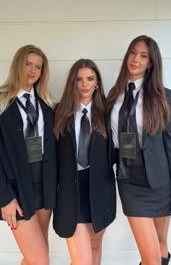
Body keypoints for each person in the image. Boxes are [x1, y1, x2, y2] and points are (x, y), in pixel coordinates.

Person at [107, 35, 171, 265]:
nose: (136, 59)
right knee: (151, 258)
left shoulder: (164, 97)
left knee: (162, 246)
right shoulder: (113, 96)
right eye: (133, 52)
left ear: (151, 62)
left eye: (143, 56)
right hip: (129, 181)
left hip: (160, 181)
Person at [0, 44, 57, 265]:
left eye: (38, 67)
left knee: (35, 258)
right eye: (28, 64)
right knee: (40, 260)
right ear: (17, 65)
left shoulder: (48, 104)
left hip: (45, 188)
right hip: (17, 190)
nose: (32, 70)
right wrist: (4, 198)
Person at [53, 59, 116, 265]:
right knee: (82, 261)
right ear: (73, 83)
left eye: (90, 79)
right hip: (71, 192)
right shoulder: (59, 112)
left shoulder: (108, 113)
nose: (85, 84)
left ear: (97, 82)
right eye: (79, 79)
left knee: (95, 247)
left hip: (99, 191)